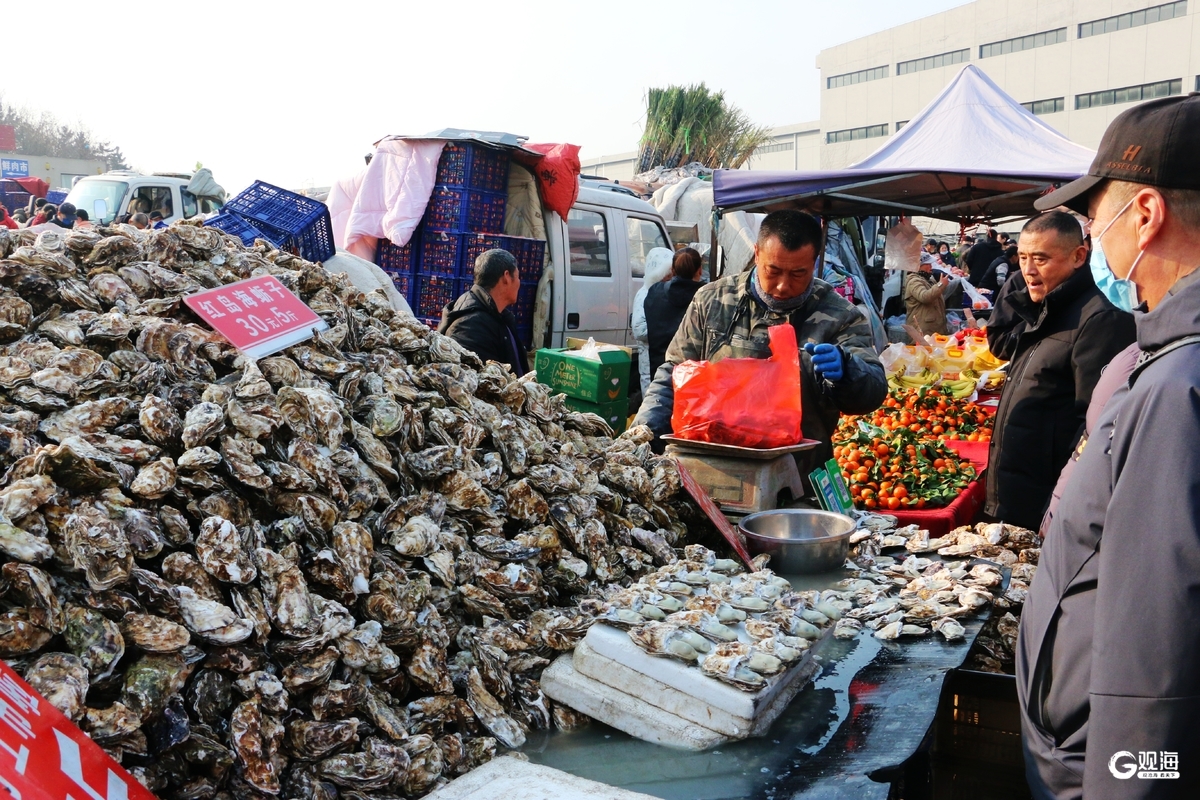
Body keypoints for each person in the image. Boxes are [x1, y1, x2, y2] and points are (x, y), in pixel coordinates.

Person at [1017, 93, 1200, 799]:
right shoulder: (1166, 359)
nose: (1093, 237)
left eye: (1096, 217)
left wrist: (1126, 781)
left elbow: (1157, 645)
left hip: (1098, 763)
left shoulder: (1177, 388)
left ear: (1145, 215)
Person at [634, 209, 887, 467]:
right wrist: (642, 436)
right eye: (772, 270)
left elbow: (873, 391)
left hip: (798, 472)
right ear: (756, 253)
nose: (783, 285)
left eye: (797, 274)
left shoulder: (840, 316)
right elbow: (673, 372)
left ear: (814, 263)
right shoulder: (712, 301)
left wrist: (848, 372)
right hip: (711, 466)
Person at [984, 211, 1135, 532]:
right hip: (1018, 493)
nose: (1028, 269)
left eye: (1040, 259)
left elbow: (1094, 429)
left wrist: (1056, 509)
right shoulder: (1044, 306)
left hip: (1046, 505)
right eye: (1023, 257)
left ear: (1079, 256)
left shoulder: (1100, 319)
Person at [438, 248, 528, 376]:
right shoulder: (470, 327)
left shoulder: (499, 316)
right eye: (518, 277)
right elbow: (477, 382)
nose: (519, 283)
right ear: (507, 277)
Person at [644, 247, 704, 381]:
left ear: (672, 270)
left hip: (659, 372)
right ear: (700, 270)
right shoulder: (706, 296)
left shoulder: (655, 292)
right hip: (692, 376)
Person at [631, 247, 676, 396]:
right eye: (667, 274)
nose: (670, 277)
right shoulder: (644, 294)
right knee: (652, 398)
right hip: (649, 362)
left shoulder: (666, 293)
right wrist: (665, 329)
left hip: (664, 360)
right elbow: (639, 330)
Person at [904, 253, 950, 335]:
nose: (931, 267)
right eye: (928, 264)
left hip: (933, 329)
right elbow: (925, 297)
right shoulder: (913, 281)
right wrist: (941, 285)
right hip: (923, 331)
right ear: (918, 266)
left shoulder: (928, 279)